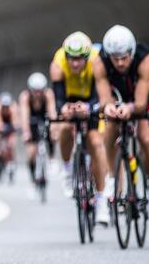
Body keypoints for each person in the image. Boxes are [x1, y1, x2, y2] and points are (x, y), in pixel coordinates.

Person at [93, 25, 149, 221]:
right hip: (119, 95)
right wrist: (108, 107)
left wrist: (131, 109)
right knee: (111, 128)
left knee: (146, 138)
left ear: (132, 52)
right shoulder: (99, 61)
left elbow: (141, 104)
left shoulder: (145, 59)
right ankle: (111, 179)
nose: (120, 63)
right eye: (115, 58)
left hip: (145, 98)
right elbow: (104, 95)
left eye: (124, 57)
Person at [49, 31, 110, 225]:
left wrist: (89, 108)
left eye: (79, 59)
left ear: (86, 57)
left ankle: (101, 201)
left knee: (96, 143)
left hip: (91, 98)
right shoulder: (58, 63)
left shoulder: (96, 61)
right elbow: (58, 98)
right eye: (71, 59)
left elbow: (101, 96)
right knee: (66, 128)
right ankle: (68, 171)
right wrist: (63, 108)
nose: (75, 64)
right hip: (70, 97)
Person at [19, 72, 55, 186]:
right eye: (35, 91)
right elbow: (24, 115)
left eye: (40, 91)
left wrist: (54, 128)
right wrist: (26, 132)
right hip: (31, 121)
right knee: (31, 152)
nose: (38, 94)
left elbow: (52, 111)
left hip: (44, 117)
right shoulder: (25, 97)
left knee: (52, 134)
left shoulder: (48, 94)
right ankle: (33, 173)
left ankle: (51, 157)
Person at [0, 92, 18, 184]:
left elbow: (15, 122)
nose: (6, 108)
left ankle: (11, 162)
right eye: (4, 107)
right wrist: (0, 128)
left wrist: (13, 129)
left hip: (9, 123)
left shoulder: (14, 108)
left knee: (11, 143)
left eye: (7, 107)